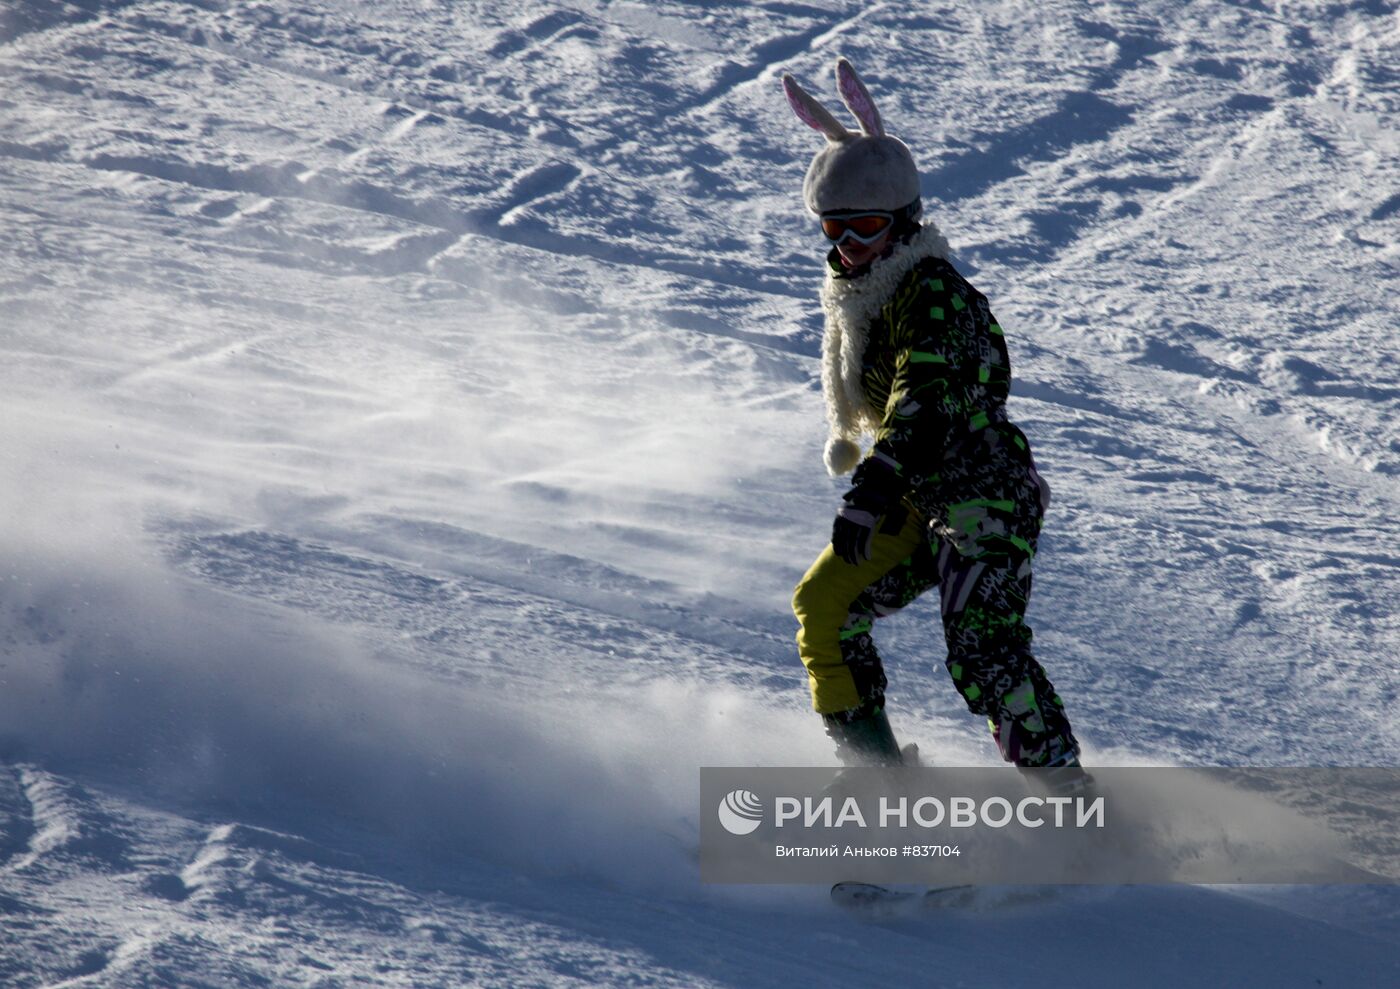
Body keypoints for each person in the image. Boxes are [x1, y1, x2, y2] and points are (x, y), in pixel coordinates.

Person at [782, 59, 1084, 778]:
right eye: (832, 229)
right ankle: (877, 778)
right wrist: (885, 488)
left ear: (903, 222)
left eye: (862, 227)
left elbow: (923, 397)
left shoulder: (935, 294)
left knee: (981, 646)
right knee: (824, 604)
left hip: (983, 489)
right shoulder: (866, 300)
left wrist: (871, 487)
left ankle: (1071, 807)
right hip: (917, 496)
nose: (846, 246)